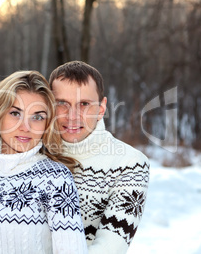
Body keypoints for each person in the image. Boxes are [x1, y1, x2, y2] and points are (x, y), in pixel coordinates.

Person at [0, 71, 88, 254]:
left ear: (47, 123)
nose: (25, 127)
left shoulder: (56, 179)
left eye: (37, 117)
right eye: (15, 113)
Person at [49, 61, 150, 254]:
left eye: (84, 104)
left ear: (101, 109)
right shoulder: (35, 154)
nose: (72, 116)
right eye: (62, 103)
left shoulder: (130, 164)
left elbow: (111, 247)